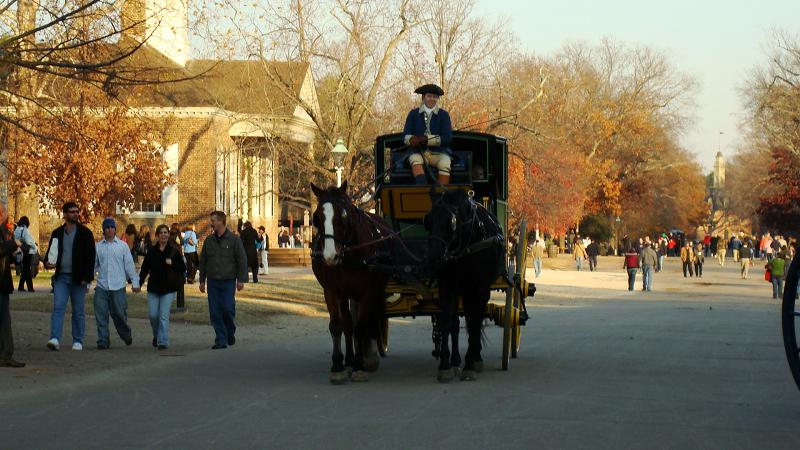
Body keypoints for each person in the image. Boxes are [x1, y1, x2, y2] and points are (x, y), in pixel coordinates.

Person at [44, 202, 96, 351]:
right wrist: (48, 263)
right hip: (61, 277)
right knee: (58, 307)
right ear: (65, 214)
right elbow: (51, 253)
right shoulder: (57, 233)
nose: (75, 214)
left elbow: (90, 258)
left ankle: (78, 340)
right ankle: (54, 338)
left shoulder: (85, 233)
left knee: (78, 310)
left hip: (78, 278)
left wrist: (87, 277)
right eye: (72, 212)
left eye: (76, 211)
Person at [199, 211, 247, 349]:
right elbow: (203, 262)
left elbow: (241, 259)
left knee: (227, 308)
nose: (211, 223)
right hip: (213, 281)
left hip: (228, 281)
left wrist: (241, 279)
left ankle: (229, 331)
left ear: (221, 221)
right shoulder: (209, 240)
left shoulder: (234, 240)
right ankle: (220, 339)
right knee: (214, 311)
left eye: (213, 220)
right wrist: (202, 280)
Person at [93, 218, 140, 350]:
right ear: (104, 230)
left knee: (119, 313)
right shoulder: (98, 247)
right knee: (100, 313)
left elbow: (129, 266)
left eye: (112, 227)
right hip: (102, 286)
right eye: (107, 228)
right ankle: (103, 340)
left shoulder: (122, 246)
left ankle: (125, 334)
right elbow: (94, 266)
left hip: (118, 286)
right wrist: (87, 283)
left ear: (115, 229)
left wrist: (135, 282)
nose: (109, 230)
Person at [138, 224, 186, 350]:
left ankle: (163, 341)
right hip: (154, 288)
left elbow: (183, 267)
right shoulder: (152, 251)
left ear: (168, 235)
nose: (163, 235)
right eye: (161, 233)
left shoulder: (174, 251)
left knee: (163, 316)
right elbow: (145, 268)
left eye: (166, 232)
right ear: (157, 235)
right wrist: (139, 282)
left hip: (168, 288)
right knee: (153, 315)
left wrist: (173, 263)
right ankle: (157, 335)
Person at [403, 84, 453, 185]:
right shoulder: (413, 114)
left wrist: (427, 139)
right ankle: (423, 188)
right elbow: (405, 135)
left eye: (435, 97)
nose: (432, 99)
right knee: (415, 159)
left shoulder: (444, 115)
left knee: (445, 162)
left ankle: (441, 195)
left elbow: (447, 138)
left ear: (437, 98)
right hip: (418, 152)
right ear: (423, 97)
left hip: (438, 153)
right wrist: (412, 139)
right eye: (429, 96)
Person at [0, 202, 24, 367]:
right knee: (3, 320)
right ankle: (5, 354)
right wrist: (12, 245)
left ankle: (5, 353)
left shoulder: (4, 232)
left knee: (4, 319)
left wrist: (17, 255)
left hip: (3, 282)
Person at [13, 216, 37, 292]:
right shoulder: (25, 230)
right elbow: (29, 241)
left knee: (25, 269)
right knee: (27, 269)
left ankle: (22, 286)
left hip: (19, 251)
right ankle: (30, 288)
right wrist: (34, 246)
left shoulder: (17, 229)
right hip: (27, 251)